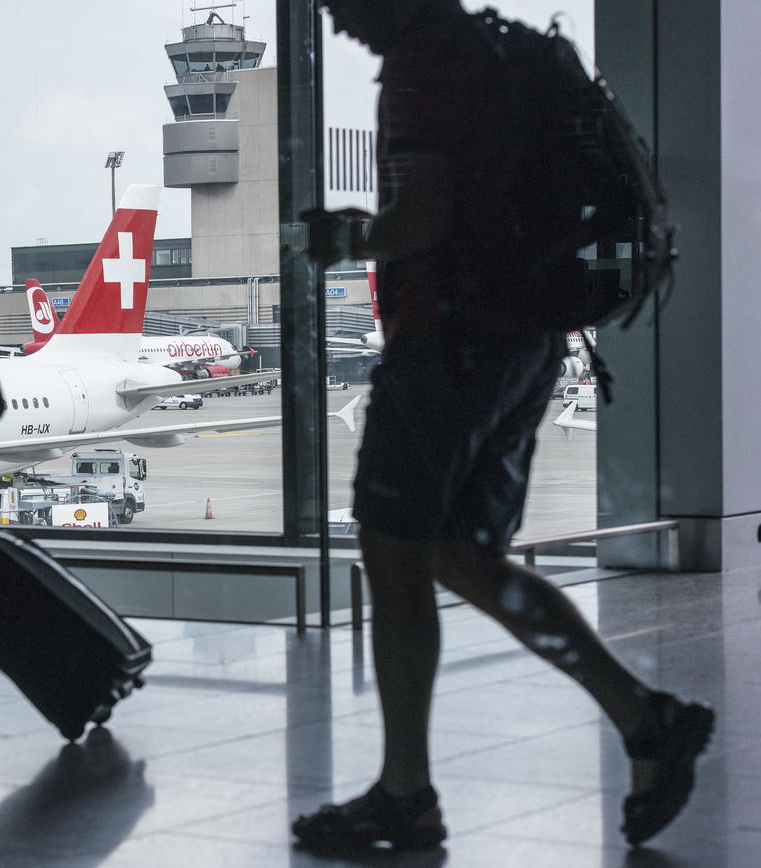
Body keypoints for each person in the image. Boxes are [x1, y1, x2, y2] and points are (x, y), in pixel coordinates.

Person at [293, 0, 713, 851]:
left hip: (448, 347)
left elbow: (422, 219)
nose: (338, 23)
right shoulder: (495, 50)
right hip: (526, 342)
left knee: (396, 555)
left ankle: (405, 796)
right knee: (462, 555)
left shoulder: (424, 63)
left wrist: (345, 236)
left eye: (342, 3)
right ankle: (646, 720)